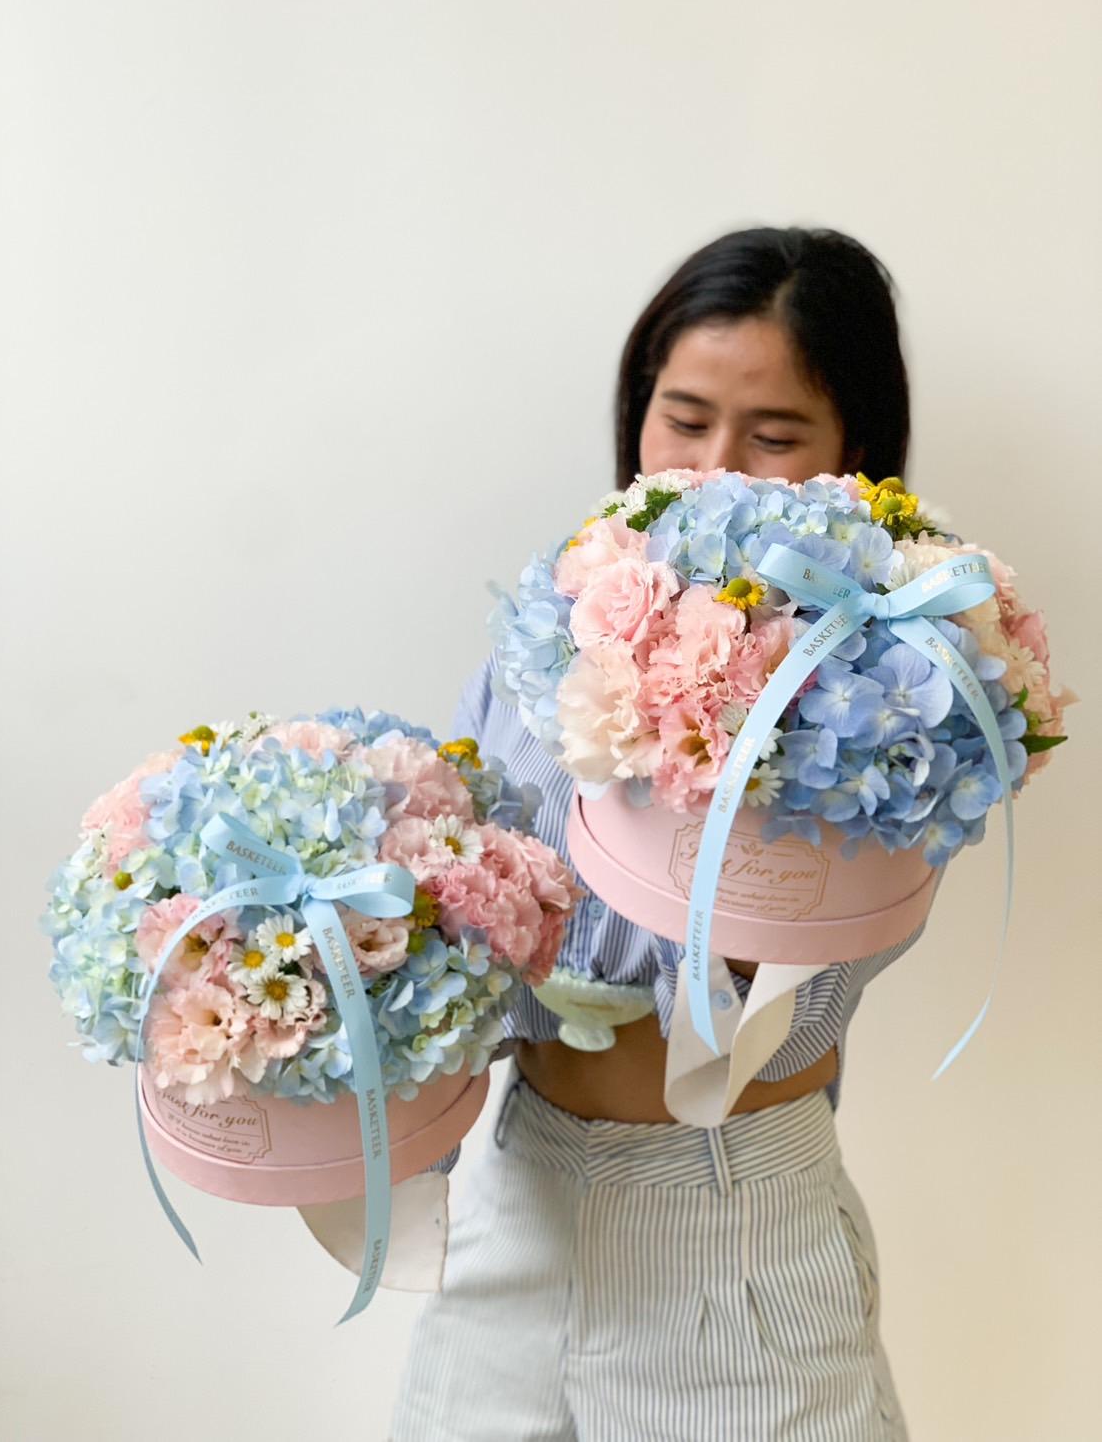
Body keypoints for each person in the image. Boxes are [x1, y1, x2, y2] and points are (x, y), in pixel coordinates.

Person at [389, 226, 915, 1441]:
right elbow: (457, 891)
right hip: (518, 1188)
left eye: (773, 436)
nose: (715, 467)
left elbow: (801, 982)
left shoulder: (891, 685)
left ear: (855, 454)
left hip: (729, 1224)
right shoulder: (547, 631)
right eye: (681, 418)